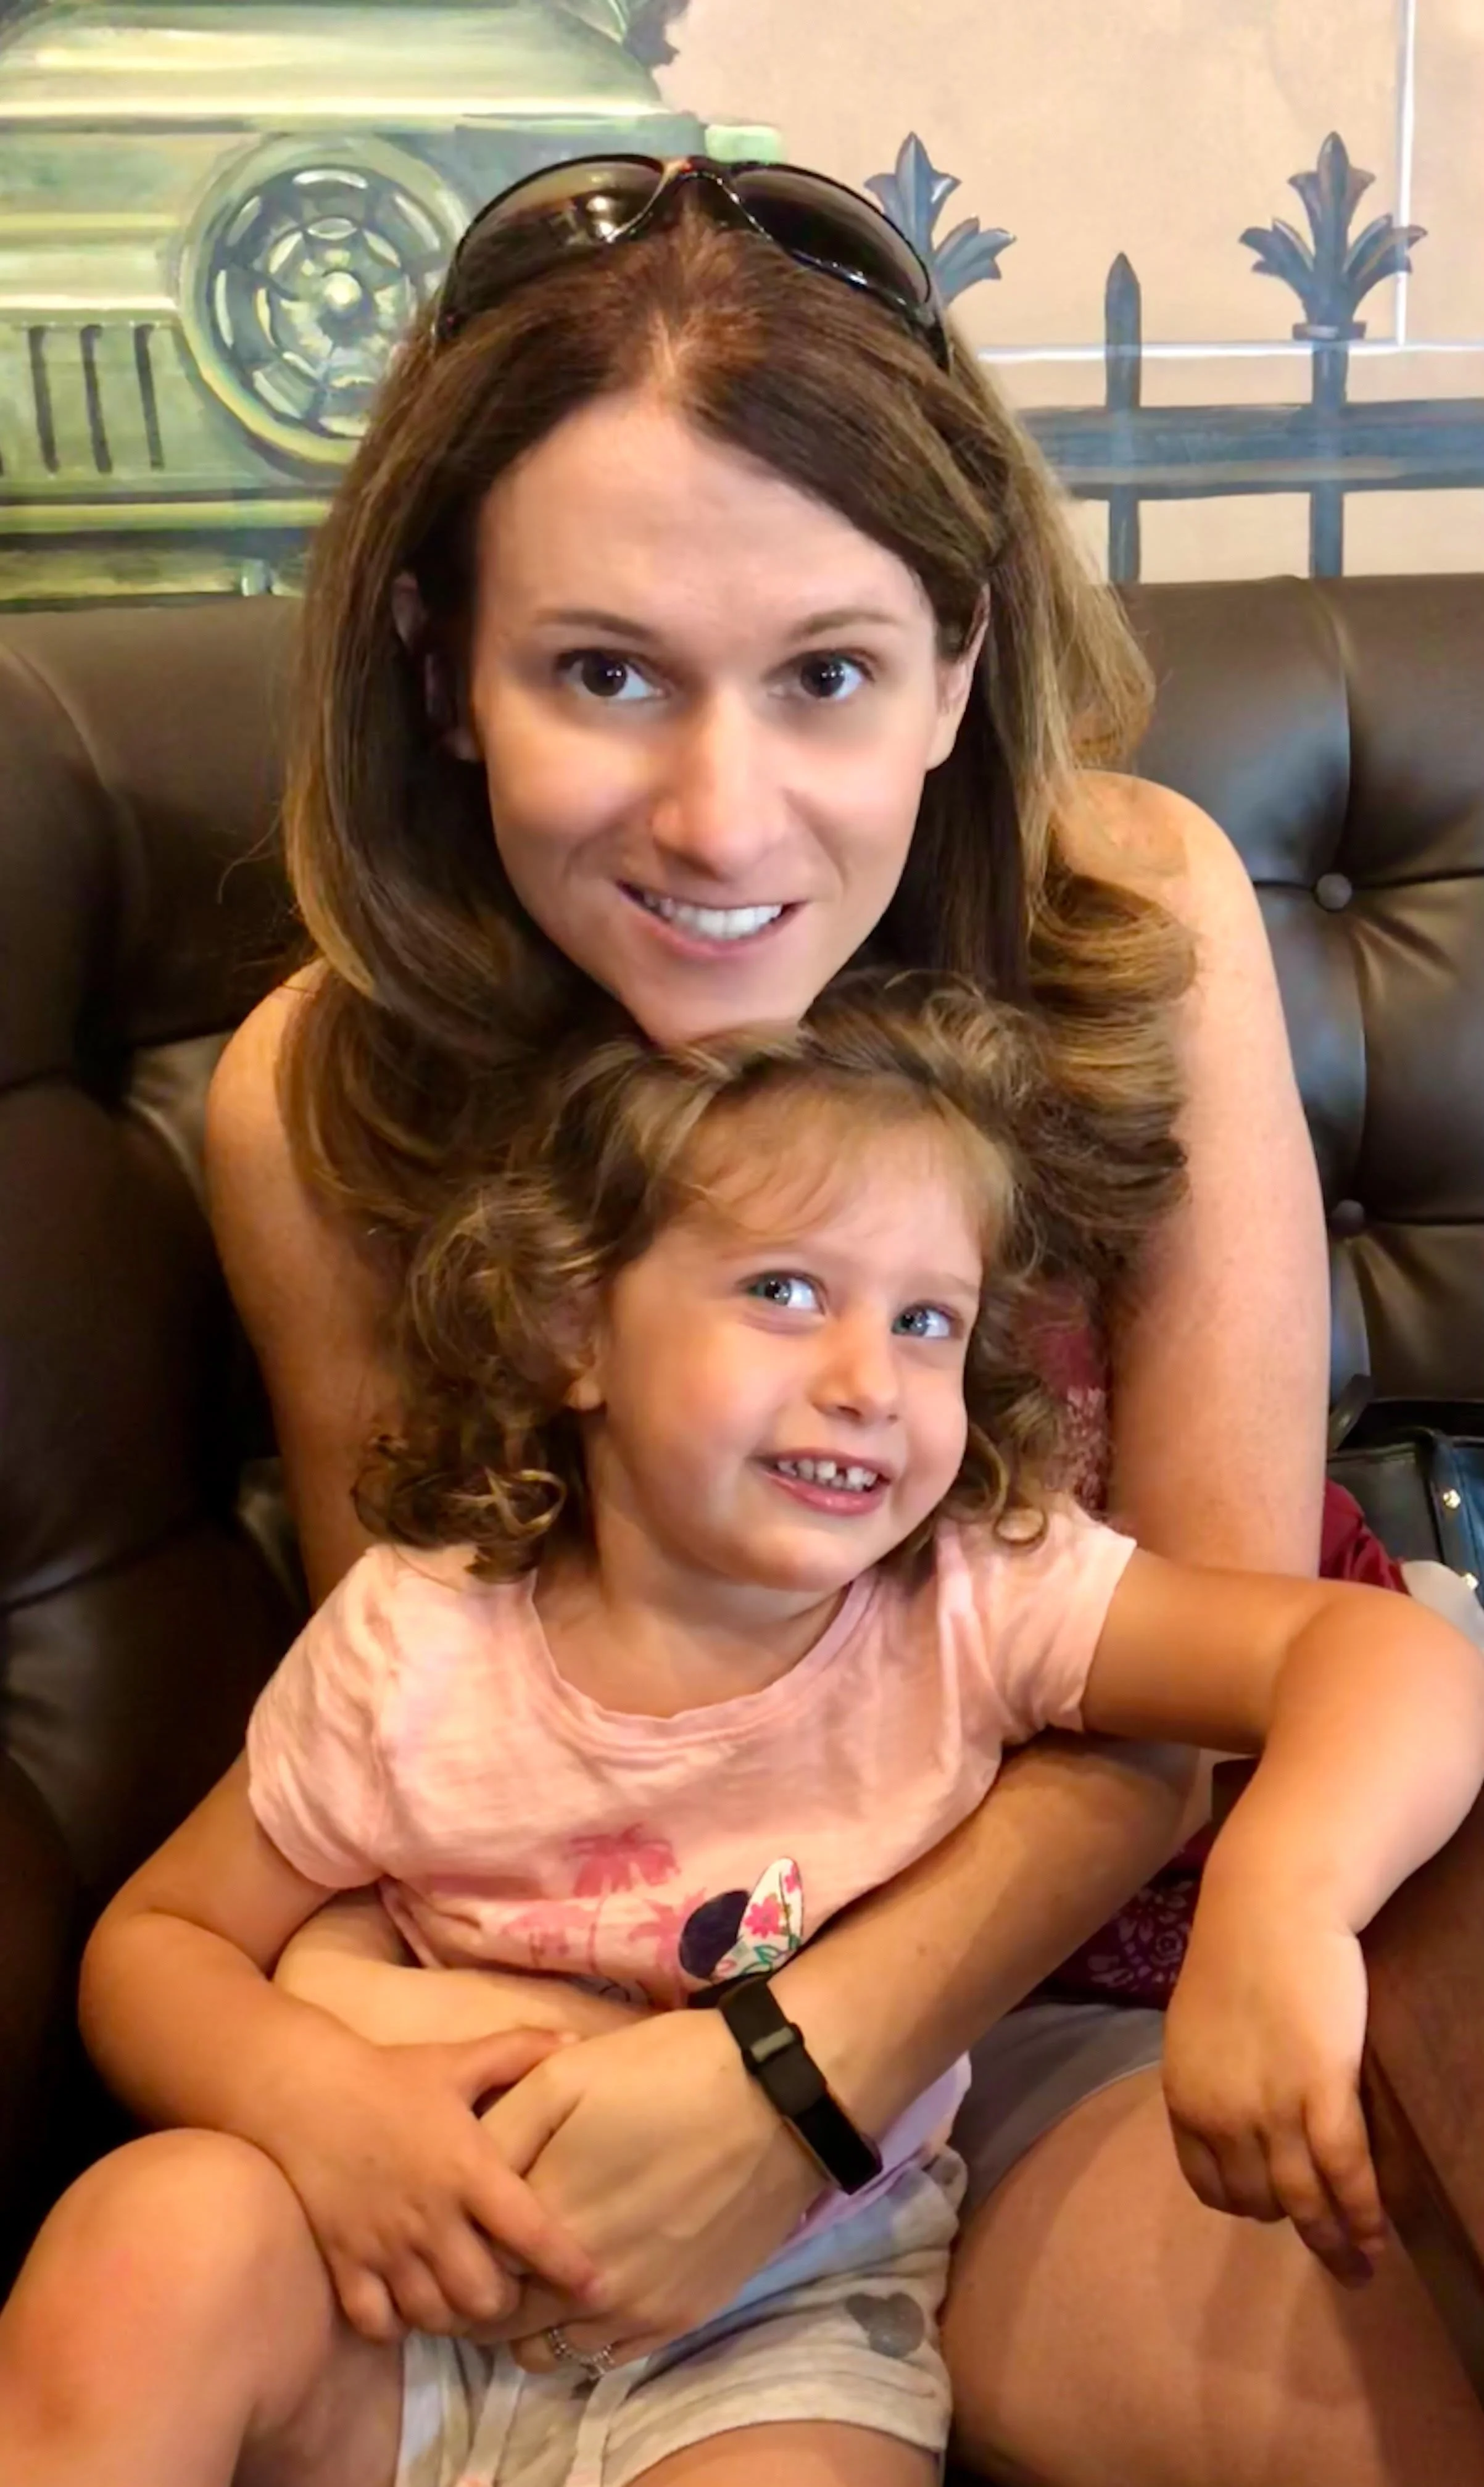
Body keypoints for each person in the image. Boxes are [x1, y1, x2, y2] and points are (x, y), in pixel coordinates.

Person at [52, 151, 1484, 2481]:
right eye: (602, 672)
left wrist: (791, 2086)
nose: (722, 821)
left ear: (952, 670)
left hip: (1108, 1943)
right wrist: (354, 2052)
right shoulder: (320, 1092)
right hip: (638, 1976)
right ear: (440, 670)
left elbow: (1195, 1703)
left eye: (822, 674)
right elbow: (411, 1713)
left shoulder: (1131, 915)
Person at [4, 973, 1483, 2487]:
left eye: (926, 1321)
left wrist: (1278, 1904)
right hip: (386, 2282)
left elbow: (1384, 1657)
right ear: (575, 1325)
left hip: (774, 2326)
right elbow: (156, 1940)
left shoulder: (976, 1596)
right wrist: (304, 2101)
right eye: (783, 1290)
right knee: (151, 2240)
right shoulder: (415, 1638)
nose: (864, 1382)